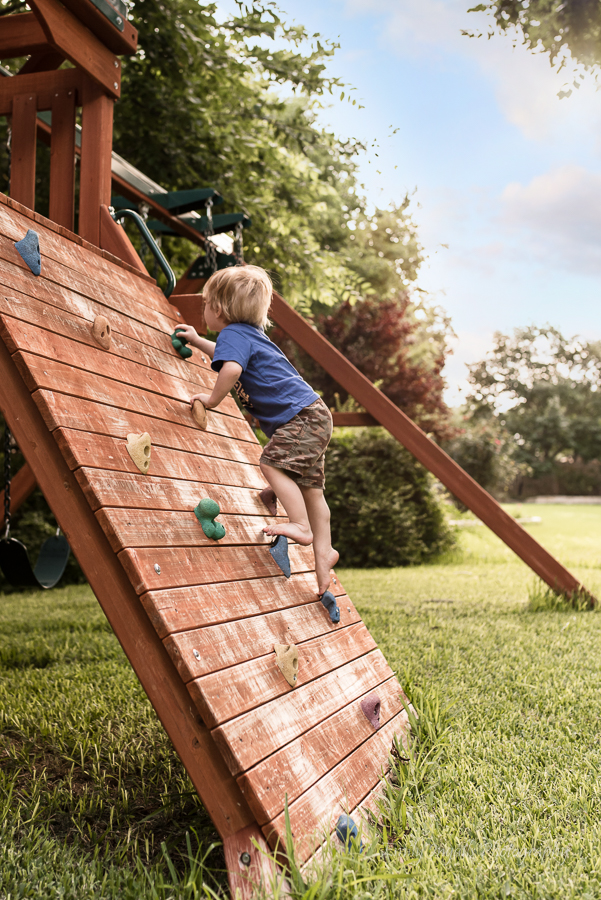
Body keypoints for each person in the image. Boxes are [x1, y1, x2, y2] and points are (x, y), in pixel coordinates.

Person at [175, 265, 339, 595]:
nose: (204, 310)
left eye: (205, 304)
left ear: (217, 308)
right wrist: (197, 341)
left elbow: (231, 368)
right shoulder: (246, 336)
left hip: (301, 418)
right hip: (314, 414)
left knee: (271, 464)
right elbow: (226, 356)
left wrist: (212, 399)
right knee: (312, 489)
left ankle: (300, 526)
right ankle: (324, 552)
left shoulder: (233, 335)